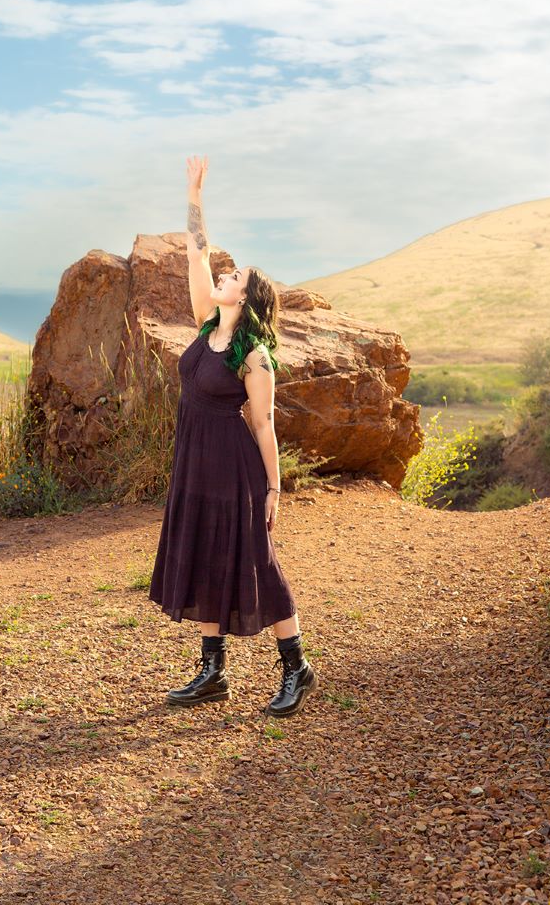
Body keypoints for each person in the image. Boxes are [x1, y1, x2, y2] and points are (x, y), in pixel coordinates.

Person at [148, 155, 317, 718]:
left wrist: (273, 490)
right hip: (194, 463)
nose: (224, 275)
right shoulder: (205, 323)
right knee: (204, 556)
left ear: (244, 298)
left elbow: (264, 425)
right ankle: (213, 672)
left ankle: (296, 666)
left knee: (256, 562)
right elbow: (197, 252)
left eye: (235, 277)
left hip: (235, 468)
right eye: (227, 274)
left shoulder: (255, 356)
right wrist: (193, 195)